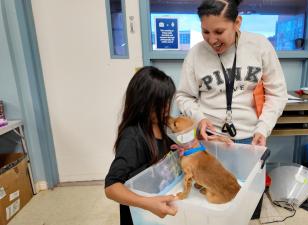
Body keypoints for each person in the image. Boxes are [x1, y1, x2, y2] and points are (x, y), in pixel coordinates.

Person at [175, 0, 287, 147]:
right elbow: (184, 96)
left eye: (219, 32)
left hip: (252, 137)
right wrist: (199, 118)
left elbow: (277, 93)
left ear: (237, 22)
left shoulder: (259, 46)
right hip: (210, 137)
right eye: (205, 32)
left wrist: (263, 128)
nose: (212, 40)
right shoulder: (195, 54)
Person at [105, 66, 178, 225]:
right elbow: (111, 186)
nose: (166, 108)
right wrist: (147, 203)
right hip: (141, 213)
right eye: (160, 103)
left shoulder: (162, 123)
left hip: (158, 205)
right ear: (142, 102)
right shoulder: (132, 137)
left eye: (168, 101)